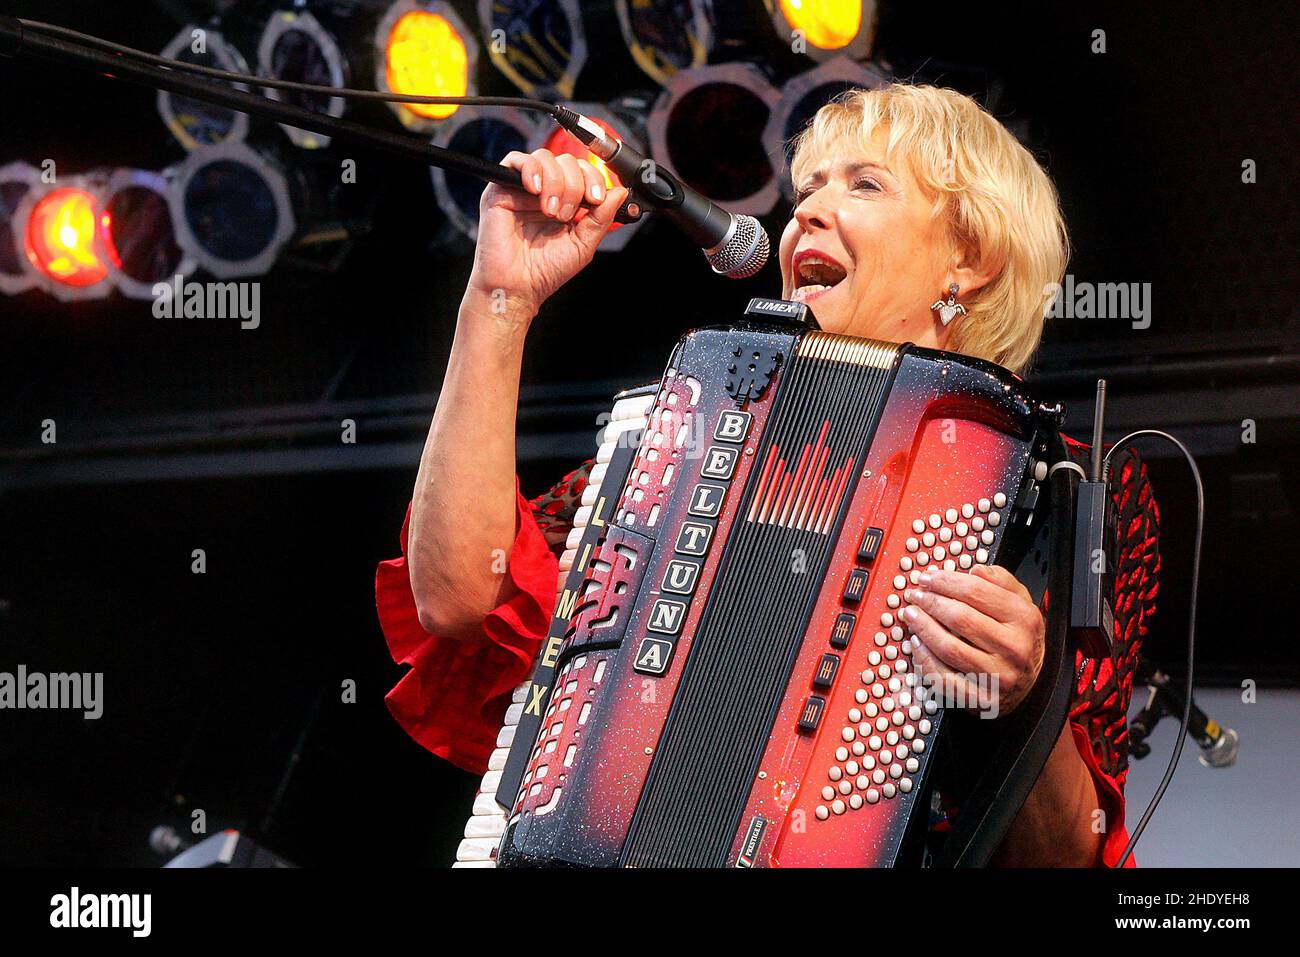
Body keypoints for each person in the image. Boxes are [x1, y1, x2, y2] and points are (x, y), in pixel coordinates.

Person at [375, 84, 1160, 867]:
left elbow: (1070, 855)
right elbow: (457, 596)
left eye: (864, 184)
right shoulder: (692, 424)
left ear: (972, 258)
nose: (808, 212)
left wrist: (1022, 700)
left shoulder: (1064, 487)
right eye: (808, 188)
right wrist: (499, 297)